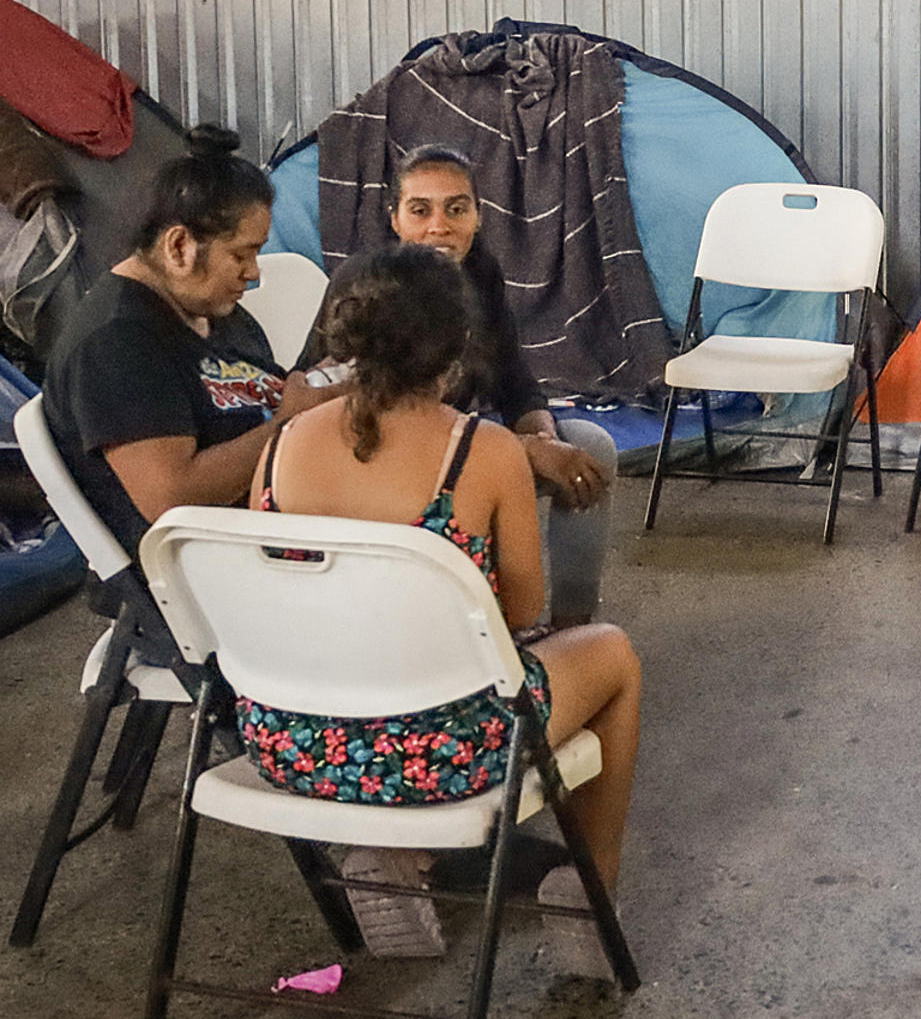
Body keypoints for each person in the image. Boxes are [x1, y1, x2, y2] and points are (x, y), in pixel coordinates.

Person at [246, 244, 642, 968]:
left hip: (291, 742)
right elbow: (522, 610)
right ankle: (590, 892)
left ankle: (393, 857)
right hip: (441, 751)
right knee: (611, 655)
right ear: (456, 353)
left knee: (400, 678)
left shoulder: (278, 448)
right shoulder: (482, 452)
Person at [304, 145, 617, 628]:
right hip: (377, 462)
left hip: (457, 445)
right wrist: (523, 453)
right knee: (508, 481)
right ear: (395, 220)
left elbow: (514, 382)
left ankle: (571, 626)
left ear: (478, 216)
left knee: (590, 447)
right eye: (419, 209)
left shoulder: (479, 275)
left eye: (456, 208)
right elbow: (373, 418)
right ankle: (495, 635)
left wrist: (544, 439)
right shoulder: (366, 285)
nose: (439, 226)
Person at [43, 125, 330, 560]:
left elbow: (265, 392)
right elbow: (172, 498)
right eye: (240, 254)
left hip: (284, 519)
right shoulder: (115, 343)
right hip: (220, 574)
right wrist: (286, 427)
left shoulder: (211, 311)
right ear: (179, 246)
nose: (254, 272)